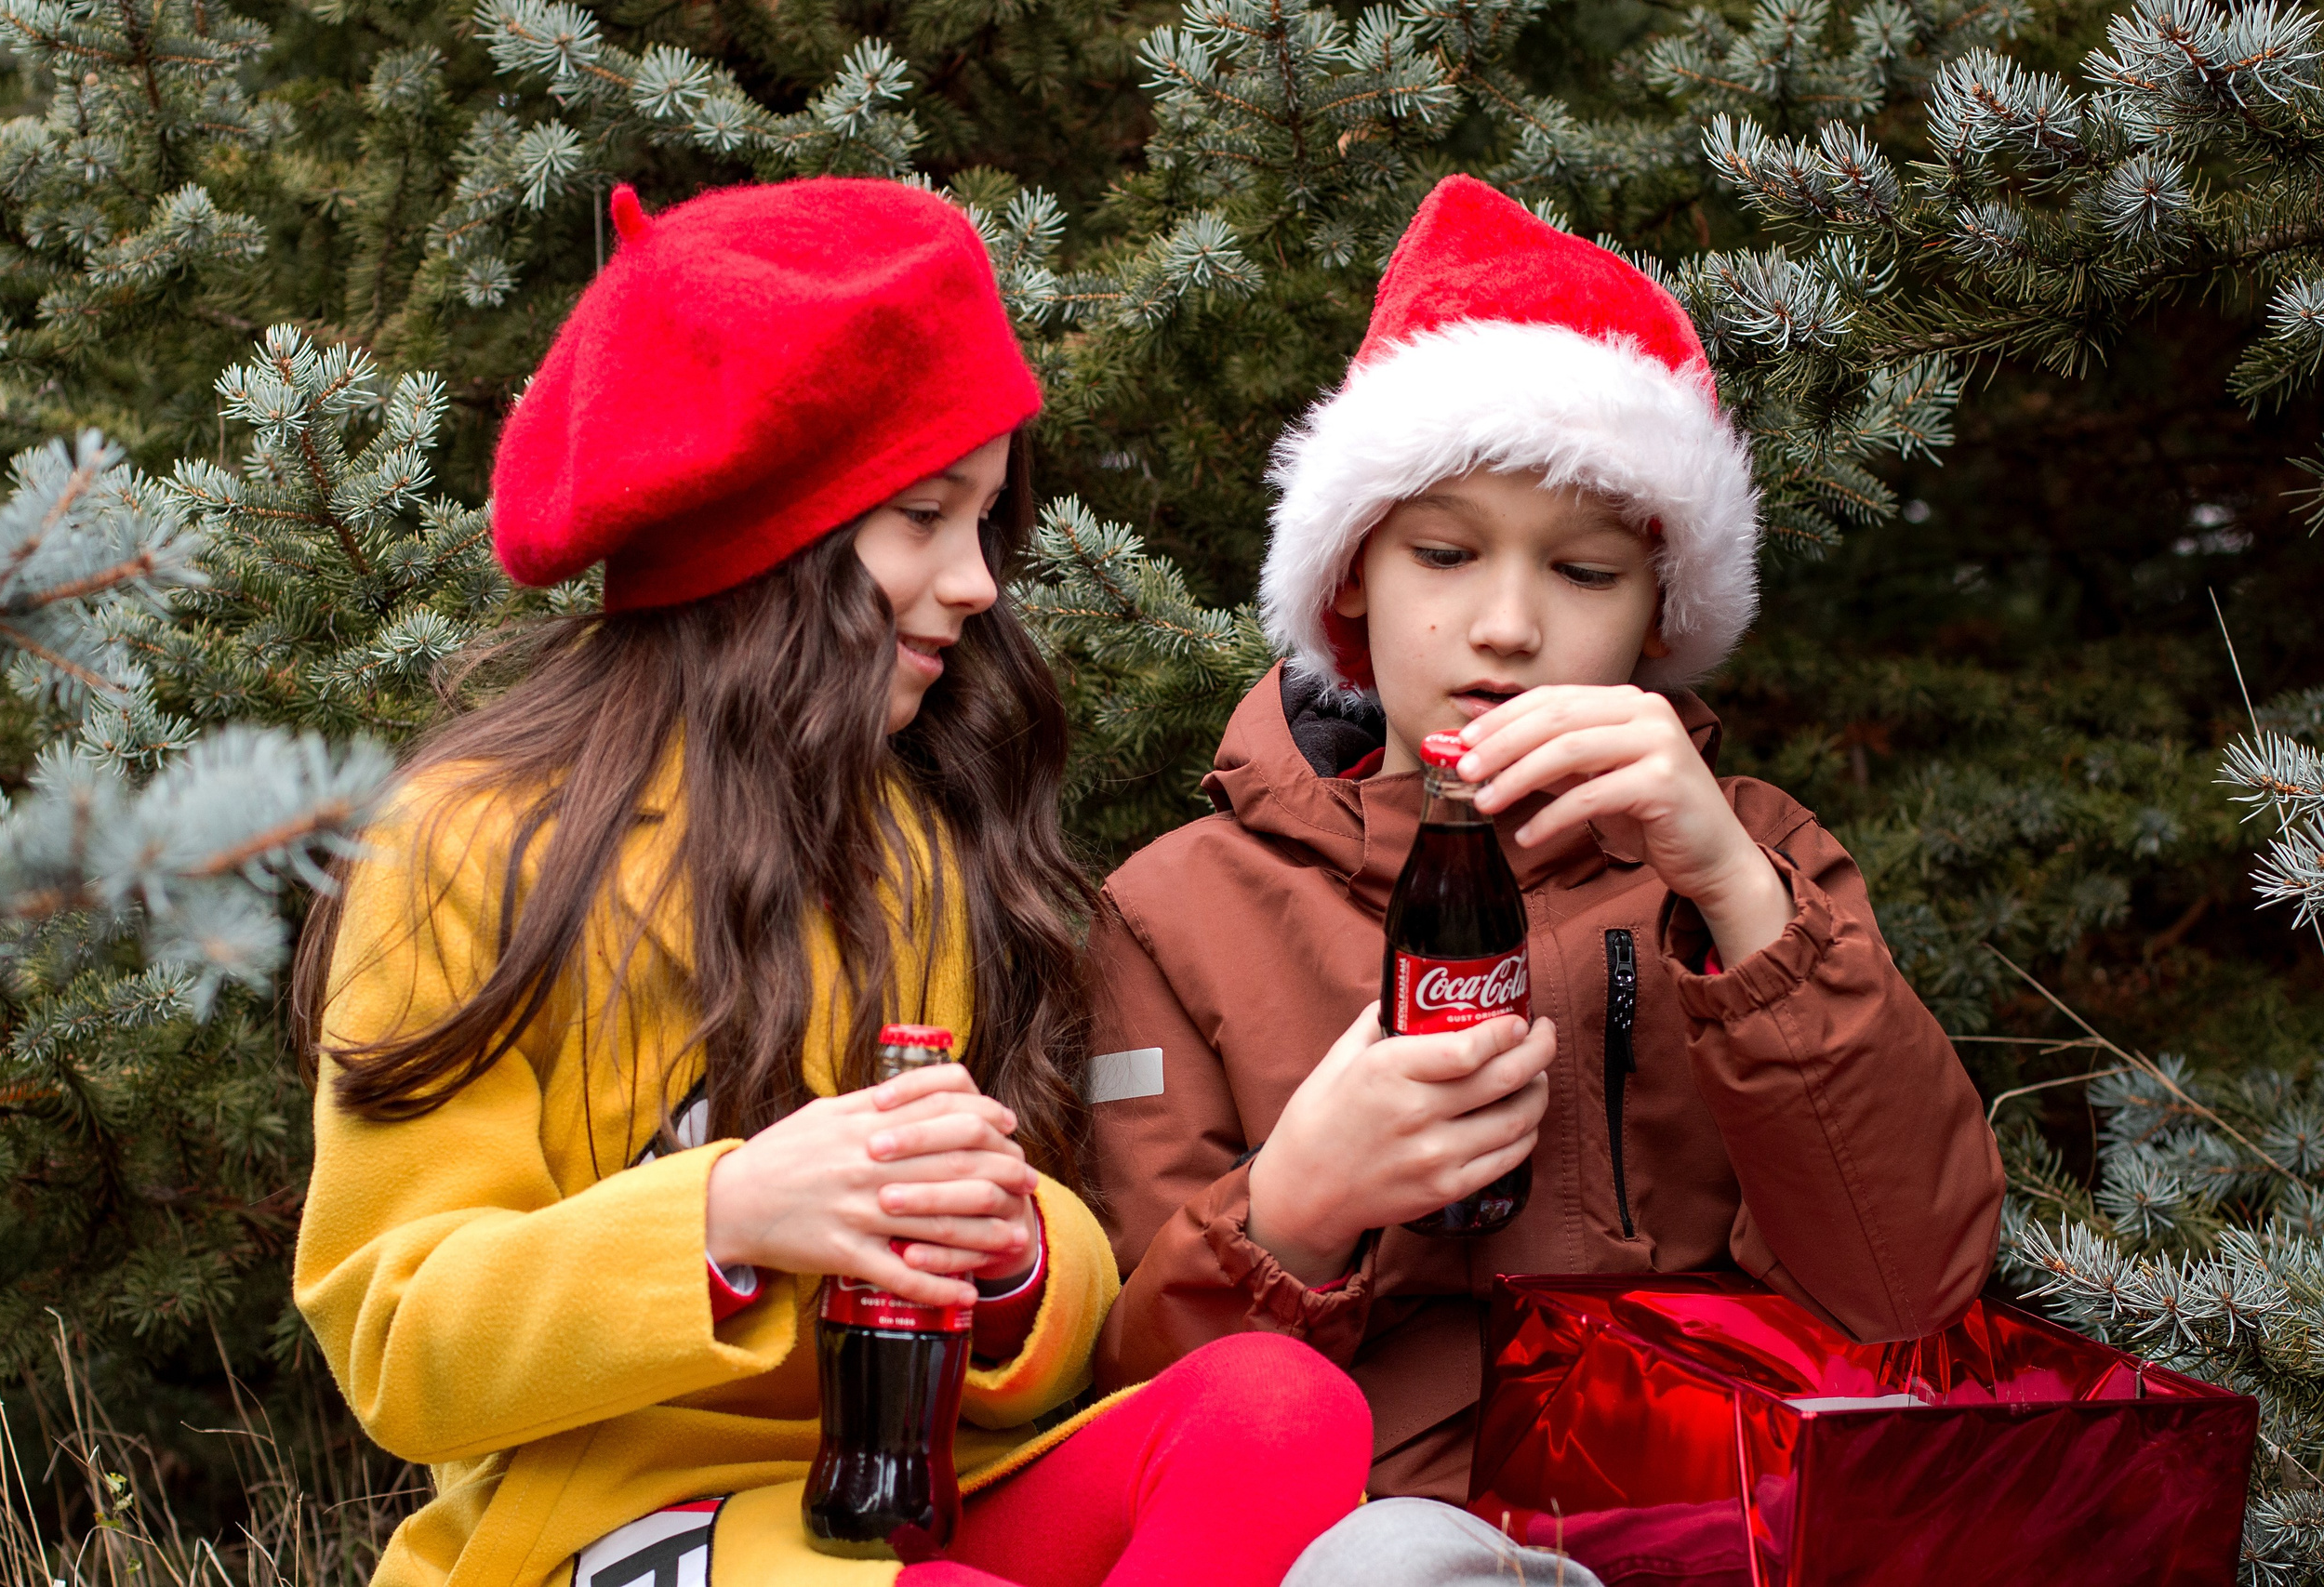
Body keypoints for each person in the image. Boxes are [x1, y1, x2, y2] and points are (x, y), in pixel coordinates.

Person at [292, 178, 1368, 1587]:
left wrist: (1013, 1256)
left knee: (1283, 1412)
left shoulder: (919, 842)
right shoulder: (467, 840)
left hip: (903, 1503)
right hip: (611, 1535)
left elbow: (1057, 1289)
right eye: (925, 517)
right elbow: (399, 1342)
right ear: (762, 533)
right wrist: (726, 1219)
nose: (978, 582)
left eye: (987, 525)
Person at [1084, 174, 2006, 1537]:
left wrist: (1735, 898)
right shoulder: (1177, 911)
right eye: (1446, 554)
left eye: (1583, 574)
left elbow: (1912, 1292)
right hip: (1355, 1540)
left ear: (1659, 608)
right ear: (1351, 575)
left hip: (1705, 1524)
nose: (1506, 628)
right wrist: (1295, 1209)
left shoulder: (1759, 863)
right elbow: (1133, 1421)